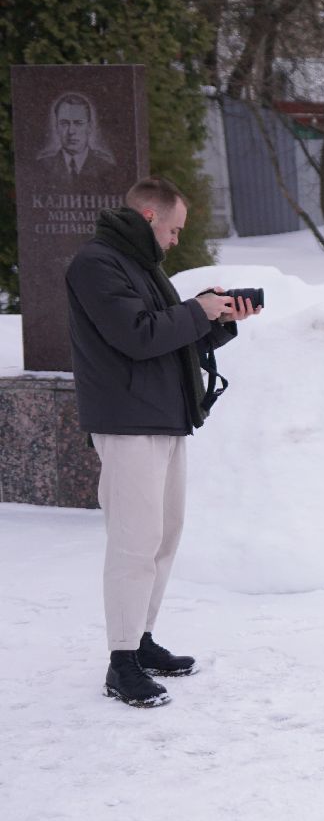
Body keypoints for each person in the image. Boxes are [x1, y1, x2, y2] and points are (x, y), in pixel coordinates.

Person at [66, 177, 263, 707]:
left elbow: (166, 337)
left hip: (163, 417)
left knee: (162, 537)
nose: (177, 240)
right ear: (150, 218)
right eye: (174, 229)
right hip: (128, 420)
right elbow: (137, 336)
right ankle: (121, 662)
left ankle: (141, 640)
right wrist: (199, 308)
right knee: (134, 542)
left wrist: (219, 321)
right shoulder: (97, 263)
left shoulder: (139, 265)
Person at [40, 92, 118, 178]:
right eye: (64, 123)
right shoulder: (43, 166)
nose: (71, 131)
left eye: (78, 123)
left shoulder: (106, 167)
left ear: (89, 127)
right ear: (57, 127)